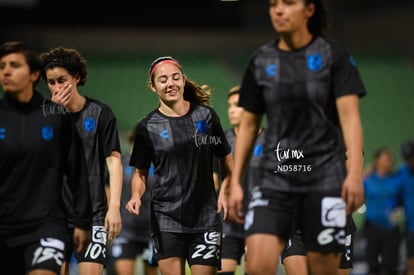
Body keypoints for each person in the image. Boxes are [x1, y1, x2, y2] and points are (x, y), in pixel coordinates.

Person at [227, 0, 367, 274]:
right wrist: (236, 182)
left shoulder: (334, 57)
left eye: (288, 3)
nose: (278, 10)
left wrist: (354, 174)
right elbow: (248, 125)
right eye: (272, 4)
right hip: (273, 178)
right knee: (256, 267)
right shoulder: (261, 61)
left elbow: (350, 118)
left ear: (310, 9)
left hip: (326, 179)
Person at [125, 56, 233, 275]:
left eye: (175, 77)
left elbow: (225, 158)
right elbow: (140, 173)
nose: (170, 84)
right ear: (153, 86)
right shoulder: (147, 127)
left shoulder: (206, 117)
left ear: (183, 80)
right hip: (166, 218)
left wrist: (225, 191)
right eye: (163, 80)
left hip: (205, 217)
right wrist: (136, 195)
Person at [0, 41, 90, 274]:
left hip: (46, 224)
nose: (6, 71)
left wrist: (82, 221)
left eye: (14, 65)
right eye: (2, 66)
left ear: (34, 74)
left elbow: (77, 171)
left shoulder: (56, 115)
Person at [40, 47, 123, 275]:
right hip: (52, 213)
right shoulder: (42, 116)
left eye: (61, 80)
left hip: (93, 212)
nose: (56, 88)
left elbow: (113, 162)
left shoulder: (100, 113)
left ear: (76, 78)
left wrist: (114, 207)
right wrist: (55, 115)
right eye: (51, 82)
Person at [218, 85, 266, 275]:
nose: (231, 110)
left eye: (237, 105)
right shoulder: (223, 141)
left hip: (259, 219)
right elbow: (215, 177)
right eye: (229, 105)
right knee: (224, 271)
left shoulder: (270, 140)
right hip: (228, 220)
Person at [110, 129, 159, 275]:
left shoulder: (157, 166)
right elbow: (109, 191)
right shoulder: (121, 163)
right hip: (126, 230)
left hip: (151, 231)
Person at [363, 147, 403, 275]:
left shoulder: (397, 179)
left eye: (391, 159)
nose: (390, 161)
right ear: (377, 161)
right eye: (386, 158)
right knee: (372, 266)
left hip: (391, 229)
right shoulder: (368, 180)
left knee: (390, 267)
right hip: (372, 228)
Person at [397, 141, 414, 275]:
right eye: (408, 158)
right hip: (411, 227)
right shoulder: (402, 171)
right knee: (411, 263)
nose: (410, 161)